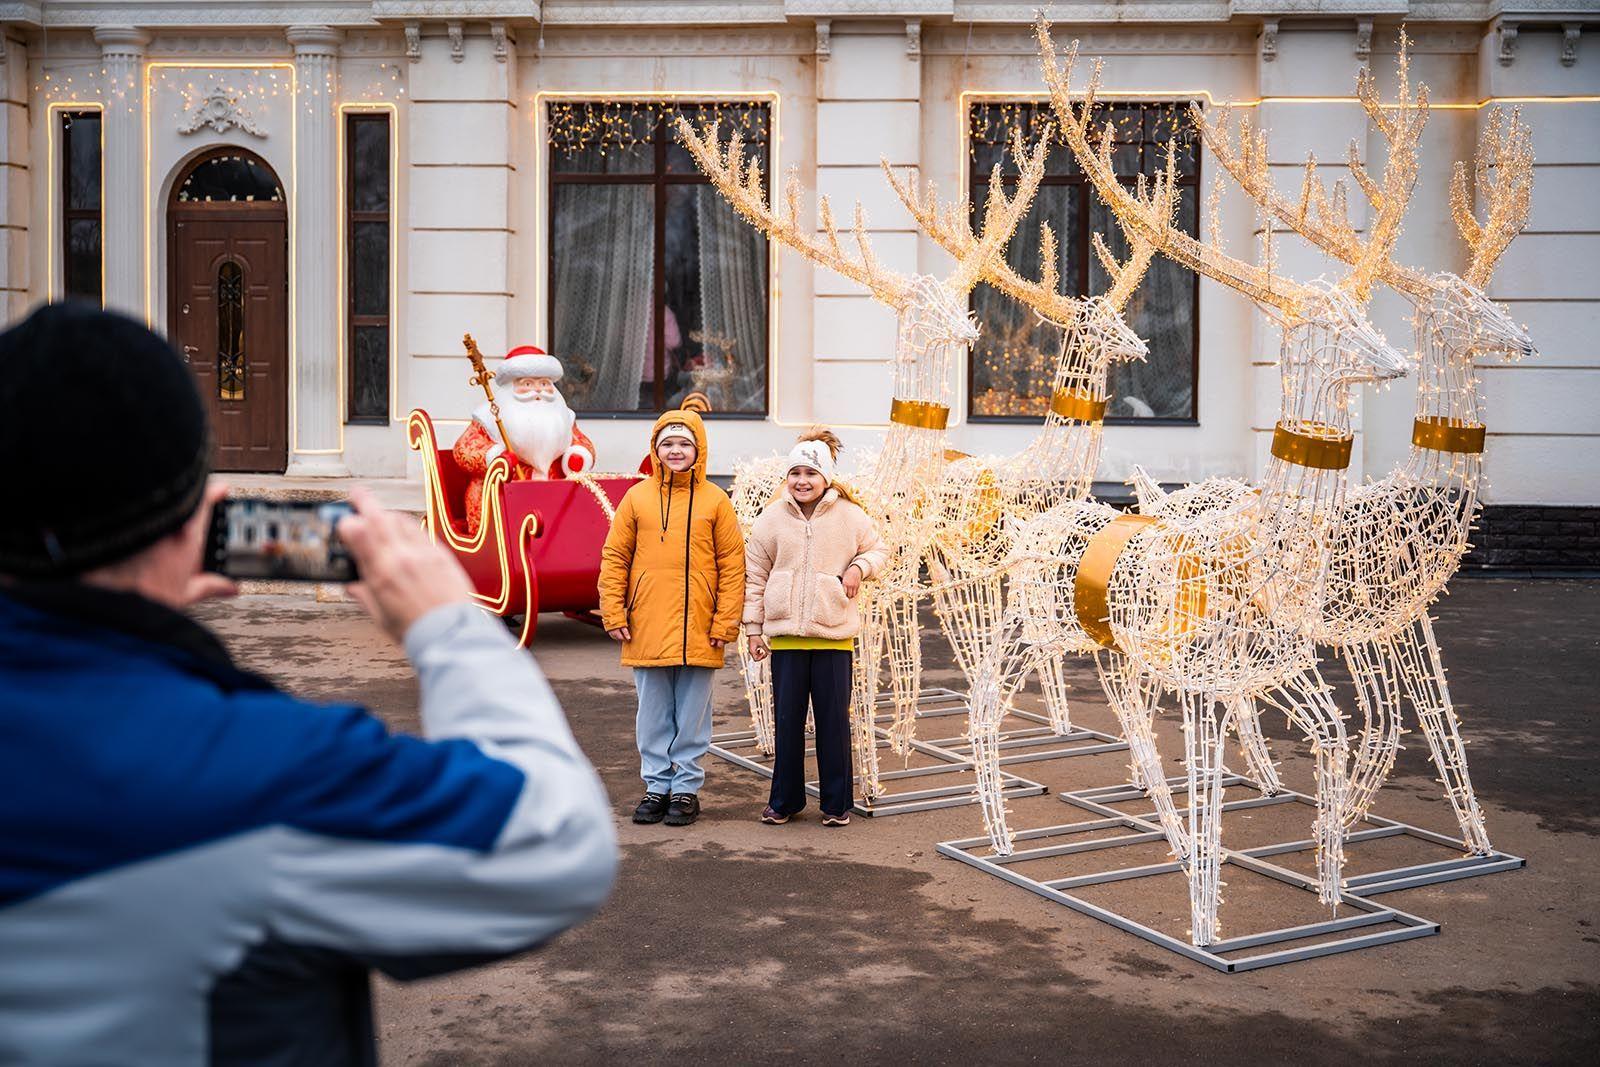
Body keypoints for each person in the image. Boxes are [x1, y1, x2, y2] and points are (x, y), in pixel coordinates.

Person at [0, 303, 617, 1066]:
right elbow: (556, 839)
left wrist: (138, 601)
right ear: (202, 514)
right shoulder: (261, 769)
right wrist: (450, 623)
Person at [597, 409, 745, 828]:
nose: (676, 451)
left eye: (684, 444)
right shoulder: (636, 498)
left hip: (701, 625)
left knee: (694, 712)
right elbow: (615, 558)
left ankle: (686, 789)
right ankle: (657, 785)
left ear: (698, 449)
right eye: (668, 444)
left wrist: (724, 621)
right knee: (653, 712)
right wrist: (613, 610)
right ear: (655, 450)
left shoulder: (716, 500)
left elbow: (733, 565)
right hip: (646, 622)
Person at [743, 429, 887, 826]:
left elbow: (880, 549)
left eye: (810, 472)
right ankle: (785, 800)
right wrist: (754, 628)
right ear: (787, 477)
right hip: (786, 637)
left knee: (833, 723)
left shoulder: (850, 516)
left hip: (833, 636)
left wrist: (859, 566)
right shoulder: (771, 520)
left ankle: (836, 803)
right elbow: (754, 576)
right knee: (787, 723)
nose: (802, 480)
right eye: (795, 473)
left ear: (826, 477)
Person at [453, 344, 597, 533]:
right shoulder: (488, 418)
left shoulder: (563, 417)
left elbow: (581, 442)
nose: (538, 390)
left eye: (544, 384)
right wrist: (495, 457)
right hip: (501, 494)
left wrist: (578, 454)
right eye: (528, 384)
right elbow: (464, 449)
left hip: (554, 494)